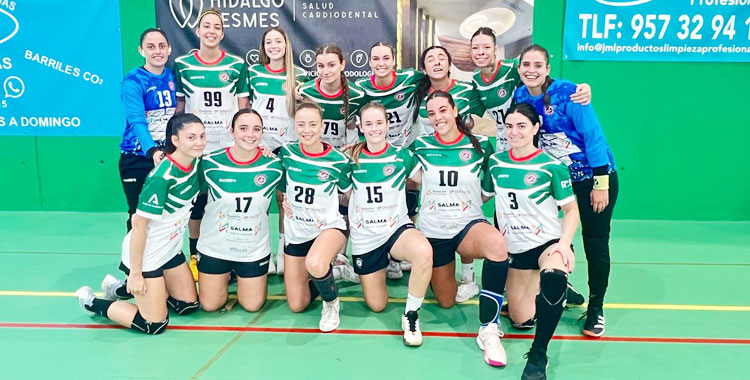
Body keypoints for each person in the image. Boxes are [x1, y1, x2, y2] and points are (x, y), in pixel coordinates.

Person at [470, 27, 589, 308]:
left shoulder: (515, 69)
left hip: (533, 149)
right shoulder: (476, 82)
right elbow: (471, 115)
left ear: (496, 50)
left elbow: (543, 77)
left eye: (486, 47)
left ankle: (557, 273)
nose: (481, 53)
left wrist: (581, 89)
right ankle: (518, 279)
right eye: (475, 48)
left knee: (546, 214)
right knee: (507, 218)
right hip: (504, 152)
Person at [514, 44, 618, 338]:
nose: (531, 70)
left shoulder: (570, 93)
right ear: (519, 69)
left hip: (592, 178)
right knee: (550, 234)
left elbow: (594, 136)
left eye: (537, 65)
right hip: (555, 179)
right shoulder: (520, 95)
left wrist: (600, 183)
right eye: (526, 65)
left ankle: (597, 306)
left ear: (547, 69)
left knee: (595, 241)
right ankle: (561, 283)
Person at [74, 114, 205, 334]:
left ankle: (120, 288)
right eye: (191, 137)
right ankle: (92, 302)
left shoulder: (195, 163)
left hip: (170, 250)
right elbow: (139, 224)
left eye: (202, 136)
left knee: (188, 305)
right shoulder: (161, 177)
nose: (199, 142)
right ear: (175, 140)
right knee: (154, 324)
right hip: (146, 255)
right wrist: (135, 273)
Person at [411, 90, 510, 367]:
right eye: (431, 113)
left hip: (467, 225)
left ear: (455, 110)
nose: (437, 117)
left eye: (443, 110)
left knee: (496, 245)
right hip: (433, 232)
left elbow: (489, 186)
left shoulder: (480, 144)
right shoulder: (420, 145)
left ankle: (489, 328)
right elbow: (399, 170)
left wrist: (467, 203)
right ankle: (458, 279)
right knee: (446, 301)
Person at [483, 103, 579, 379]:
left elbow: (571, 211)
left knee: (553, 274)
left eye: (522, 126)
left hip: (547, 243)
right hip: (516, 250)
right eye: (509, 126)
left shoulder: (552, 166)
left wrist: (564, 244)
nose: (514, 132)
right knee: (520, 320)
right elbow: (482, 196)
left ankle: (538, 354)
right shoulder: (496, 163)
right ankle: (546, 292)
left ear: (536, 128)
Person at [343, 102, 433, 346]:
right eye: (368, 123)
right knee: (377, 305)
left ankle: (411, 315)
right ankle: (378, 264)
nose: (374, 128)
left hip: (395, 229)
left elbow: (426, 180)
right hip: (366, 237)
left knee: (424, 252)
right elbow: (344, 195)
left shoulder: (401, 155)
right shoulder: (350, 159)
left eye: (379, 123)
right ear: (360, 126)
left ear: (387, 124)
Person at [173, 9, 250, 280]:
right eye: (206, 26)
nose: (211, 31)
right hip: (195, 149)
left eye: (217, 27)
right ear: (198, 31)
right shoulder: (182, 65)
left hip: (226, 148)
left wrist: (243, 142)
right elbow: (180, 108)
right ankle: (196, 256)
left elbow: (243, 108)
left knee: (224, 201)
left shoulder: (236, 65)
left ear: (222, 33)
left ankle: (228, 255)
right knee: (196, 204)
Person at [413, 45, 486, 303]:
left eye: (441, 57)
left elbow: (487, 109)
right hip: (431, 158)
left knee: (463, 210)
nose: (436, 62)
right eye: (430, 59)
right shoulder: (417, 92)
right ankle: (428, 258)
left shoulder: (466, 90)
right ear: (423, 68)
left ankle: (469, 277)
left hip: (461, 155)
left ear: (449, 63)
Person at [196, 109, 283, 312]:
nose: (250, 135)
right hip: (215, 247)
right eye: (243, 128)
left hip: (252, 250)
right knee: (210, 305)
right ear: (231, 130)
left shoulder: (275, 166)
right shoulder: (210, 163)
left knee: (252, 306)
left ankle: (241, 280)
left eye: (256, 129)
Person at [277, 102, 351, 332]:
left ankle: (331, 303)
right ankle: (332, 271)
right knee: (297, 305)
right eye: (301, 124)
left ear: (322, 126)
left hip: (329, 228)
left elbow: (350, 197)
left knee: (316, 262)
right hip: (298, 233)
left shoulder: (338, 160)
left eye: (312, 124)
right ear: (294, 126)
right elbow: (281, 186)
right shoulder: (287, 153)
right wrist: (285, 200)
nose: (307, 130)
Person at [355, 41, 425, 279]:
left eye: (386, 58)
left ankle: (399, 252)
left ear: (394, 60)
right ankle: (375, 252)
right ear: (369, 62)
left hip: (404, 148)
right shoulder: (362, 88)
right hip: (376, 148)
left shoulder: (410, 79)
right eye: (376, 59)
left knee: (408, 196)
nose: (381, 63)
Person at [297, 44, 365, 283]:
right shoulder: (305, 91)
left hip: (342, 157)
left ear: (343, 65)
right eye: (320, 66)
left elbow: (367, 125)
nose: (325, 71)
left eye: (331, 65)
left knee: (346, 201)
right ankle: (317, 252)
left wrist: (356, 146)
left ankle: (342, 256)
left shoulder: (356, 94)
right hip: (316, 158)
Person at [247, 26, 308, 275]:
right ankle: (262, 251)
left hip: (288, 146)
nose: (274, 46)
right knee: (259, 201)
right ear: (263, 47)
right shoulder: (253, 72)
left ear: (286, 45)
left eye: (278, 41)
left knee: (285, 201)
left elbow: (305, 111)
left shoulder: (299, 74)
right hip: (259, 145)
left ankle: (284, 253)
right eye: (269, 42)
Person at [119, 28, 176, 232]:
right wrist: (152, 151)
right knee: (138, 215)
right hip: (138, 158)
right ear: (141, 50)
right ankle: (133, 263)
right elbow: (137, 122)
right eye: (150, 47)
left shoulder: (172, 76)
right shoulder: (134, 80)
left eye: (161, 46)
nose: (157, 51)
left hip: (168, 156)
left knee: (166, 215)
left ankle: (161, 261)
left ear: (169, 49)